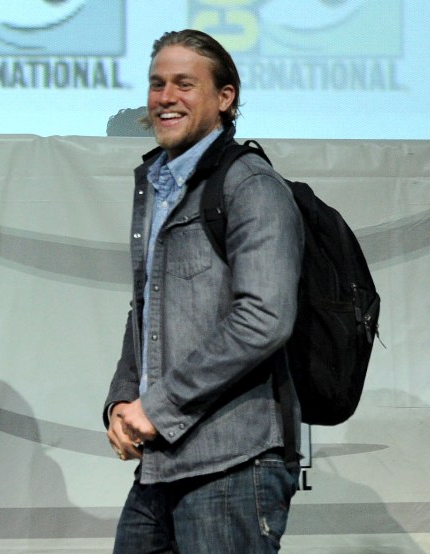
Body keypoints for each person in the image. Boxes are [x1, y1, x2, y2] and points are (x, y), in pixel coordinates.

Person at [103, 29, 304, 553]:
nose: (165, 97)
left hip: (232, 463)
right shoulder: (157, 184)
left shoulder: (250, 184)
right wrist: (122, 401)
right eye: (157, 84)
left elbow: (264, 318)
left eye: (184, 84)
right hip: (162, 461)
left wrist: (159, 405)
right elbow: (146, 307)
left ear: (224, 97)